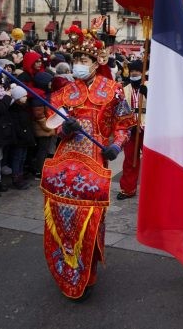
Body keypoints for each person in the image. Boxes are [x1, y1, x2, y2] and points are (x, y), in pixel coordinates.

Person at [41, 27, 135, 301]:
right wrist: (65, 128)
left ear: (98, 62)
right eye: (76, 59)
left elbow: (124, 125)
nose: (79, 65)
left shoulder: (114, 91)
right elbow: (52, 126)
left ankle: (88, 269)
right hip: (64, 164)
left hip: (94, 163)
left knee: (91, 216)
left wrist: (116, 145)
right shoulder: (63, 93)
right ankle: (66, 267)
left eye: (85, 60)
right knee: (60, 216)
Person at [116, 60, 147, 200]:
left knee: (150, 160)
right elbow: (121, 109)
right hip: (131, 128)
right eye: (133, 71)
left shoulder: (150, 86)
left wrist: (148, 95)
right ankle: (128, 189)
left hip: (147, 127)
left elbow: (161, 105)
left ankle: (153, 189)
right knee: (129, 159)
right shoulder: (125, 88)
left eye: (138, 71)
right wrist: (129, 122)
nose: (135, 73)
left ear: (143, 72)